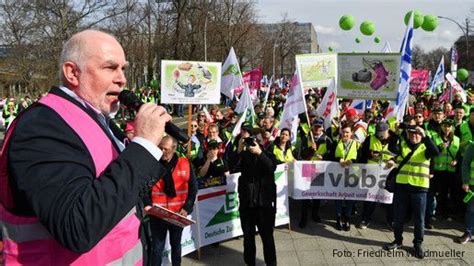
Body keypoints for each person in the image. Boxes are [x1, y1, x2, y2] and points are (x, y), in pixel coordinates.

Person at [0, 30, 172, 265]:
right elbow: (77, 226)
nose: (122, 79)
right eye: (110, 68)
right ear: (72, 73)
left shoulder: (98, 119)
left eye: (124, 69)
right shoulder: (42, 127)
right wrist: (143, 146)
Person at [384, 125, 439, 259]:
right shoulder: (403, 146)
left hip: (419, 188)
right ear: (408, 135)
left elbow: (436, 152)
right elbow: (393, 150)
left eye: (417, 134)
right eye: (411, 134)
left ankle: (417, 244)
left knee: (419, 219)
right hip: (402, 185)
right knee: (398, 216)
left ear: (421, 135)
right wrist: (392, 159)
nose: (414, 136)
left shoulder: (426, 147)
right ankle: (397, 241)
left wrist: (425, 136)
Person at [149, 136, 197, 265]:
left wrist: (187, 208)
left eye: (166, 149)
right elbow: (144, 188)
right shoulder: (152, 164)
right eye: (160, 148)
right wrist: (147, 205)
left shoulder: (185, 163)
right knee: (157, 248)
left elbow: (193, 188)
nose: (163, 151)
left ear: (174, 149)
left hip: (177, 214)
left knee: (176, 246)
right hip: (158, 215)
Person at [236, 126, 278, 266]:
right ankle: (250, 263)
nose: (254, 143)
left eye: (257, 140)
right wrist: (239, 150)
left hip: (264, 205)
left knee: (267, 238)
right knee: (248, 239)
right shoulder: (243, 155)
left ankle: (271, 263)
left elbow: (271, 166)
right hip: (247, 205)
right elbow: (231, 166)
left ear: (262, 141)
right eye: (251, 140)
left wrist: (259, 153)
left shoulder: (268, 153)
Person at [357, 121, 399, 229]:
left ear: (387, 131)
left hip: (389, 173)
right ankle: (365, 219)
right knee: (370, 197)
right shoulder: (370, 138)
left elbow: (401, 154)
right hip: (373, 173)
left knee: (389, 197)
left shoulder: (396, 139)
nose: (379, 135)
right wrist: (370, 154)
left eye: (382, 133)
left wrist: (393, 160)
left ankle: (391, 220)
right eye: (378, 132)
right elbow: (362, 154)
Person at [329, 121, 359, 231]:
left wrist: (352, 161)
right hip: (338, 174)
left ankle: (347, 218)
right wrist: (339, 160)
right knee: (338, 196)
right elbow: (331, 155)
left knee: (349, 197)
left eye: (347, 132)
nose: (345, 134)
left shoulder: (356, 144)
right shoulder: (336, 142)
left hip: (352, 174)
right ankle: (338, 217)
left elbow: (360, 157)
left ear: (351, 133)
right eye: (344, 132)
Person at [458, 142, 474, 244]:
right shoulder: (473, 146)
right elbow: (465, 164)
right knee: (471, 210)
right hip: (473, 184)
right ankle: (468, 233)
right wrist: (465, 182)